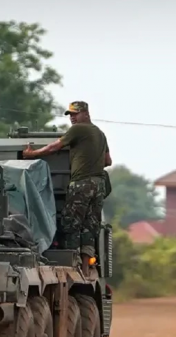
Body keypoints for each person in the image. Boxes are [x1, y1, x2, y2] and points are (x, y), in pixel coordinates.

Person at [22, 101, 111, 257]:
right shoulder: (100, 133)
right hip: (98, 185)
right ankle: (85, 265)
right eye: (70, 115)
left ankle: (72, 259)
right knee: (89, 226)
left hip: (81, 183)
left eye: (75, 114)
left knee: (71, 224)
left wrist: (32, 154)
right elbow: (108, 161)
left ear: (86, 114)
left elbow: (55, 146)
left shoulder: (78, 129)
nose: (72, 118)